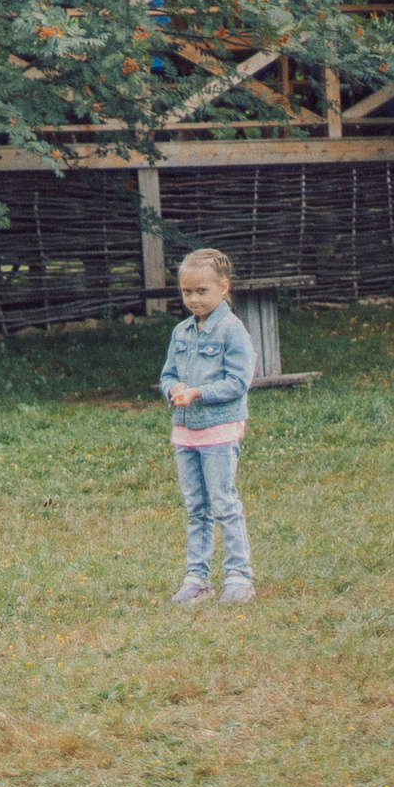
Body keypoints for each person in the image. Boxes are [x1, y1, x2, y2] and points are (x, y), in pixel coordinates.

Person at [160, 247, 257, 605]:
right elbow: (168, 374)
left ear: (223, 287)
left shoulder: (232, 331)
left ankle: (239, 576)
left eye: (202, 291)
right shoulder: (181, 332)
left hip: (219, 430)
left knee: (223, 502)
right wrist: (173, 389)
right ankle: (196, 578)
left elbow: (238, 381)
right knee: (195, 506)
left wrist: (199, 392)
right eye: (187, 292)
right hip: (184, 432)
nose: (194, 299)